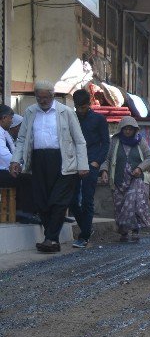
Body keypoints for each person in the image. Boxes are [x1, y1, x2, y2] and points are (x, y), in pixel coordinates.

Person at [9, 80, 89, 253]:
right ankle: (51, 240)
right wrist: (16, 160)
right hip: (38, 160)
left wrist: (83, 165)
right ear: (36, 97)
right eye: (39, 98)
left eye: (46, 97)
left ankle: (50, 238)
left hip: (62, 161)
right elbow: (22, 139)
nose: (43, 101)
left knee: (58, 201)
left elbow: (79, 140)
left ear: (52, 96)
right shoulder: (30, 112)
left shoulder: (65, 112)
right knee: (42, 201)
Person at [99, 116, 150, 243]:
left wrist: (140, 168)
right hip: (119, 180)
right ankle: (123, 231)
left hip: (136, 179)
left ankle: (135, 230)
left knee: (134, 203)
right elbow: (107, 159)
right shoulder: (115, 141)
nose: (128, 131)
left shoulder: (141, 141)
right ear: (121, 130)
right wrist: (104, 171)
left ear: (135, 130)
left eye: (130, 129)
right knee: (120, 206)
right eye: (125, 129)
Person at [68, 89, 109, 248]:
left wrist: (97, 162)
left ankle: (83, 236)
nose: (80, 110)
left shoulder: (99, 119)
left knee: (87, 200)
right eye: (78, 107)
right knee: (72, 201)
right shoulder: (71, 118)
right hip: (73, 163)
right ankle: (86, 228)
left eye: (83, 107)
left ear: (89, 104)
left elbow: (105, 143)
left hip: (91, 163)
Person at [0, 106, 17, 188]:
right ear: (4, 118)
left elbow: (13, 151)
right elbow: (3, 154)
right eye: (11, 118)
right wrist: (18, 165)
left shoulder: (4, 132)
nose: (12, 122)